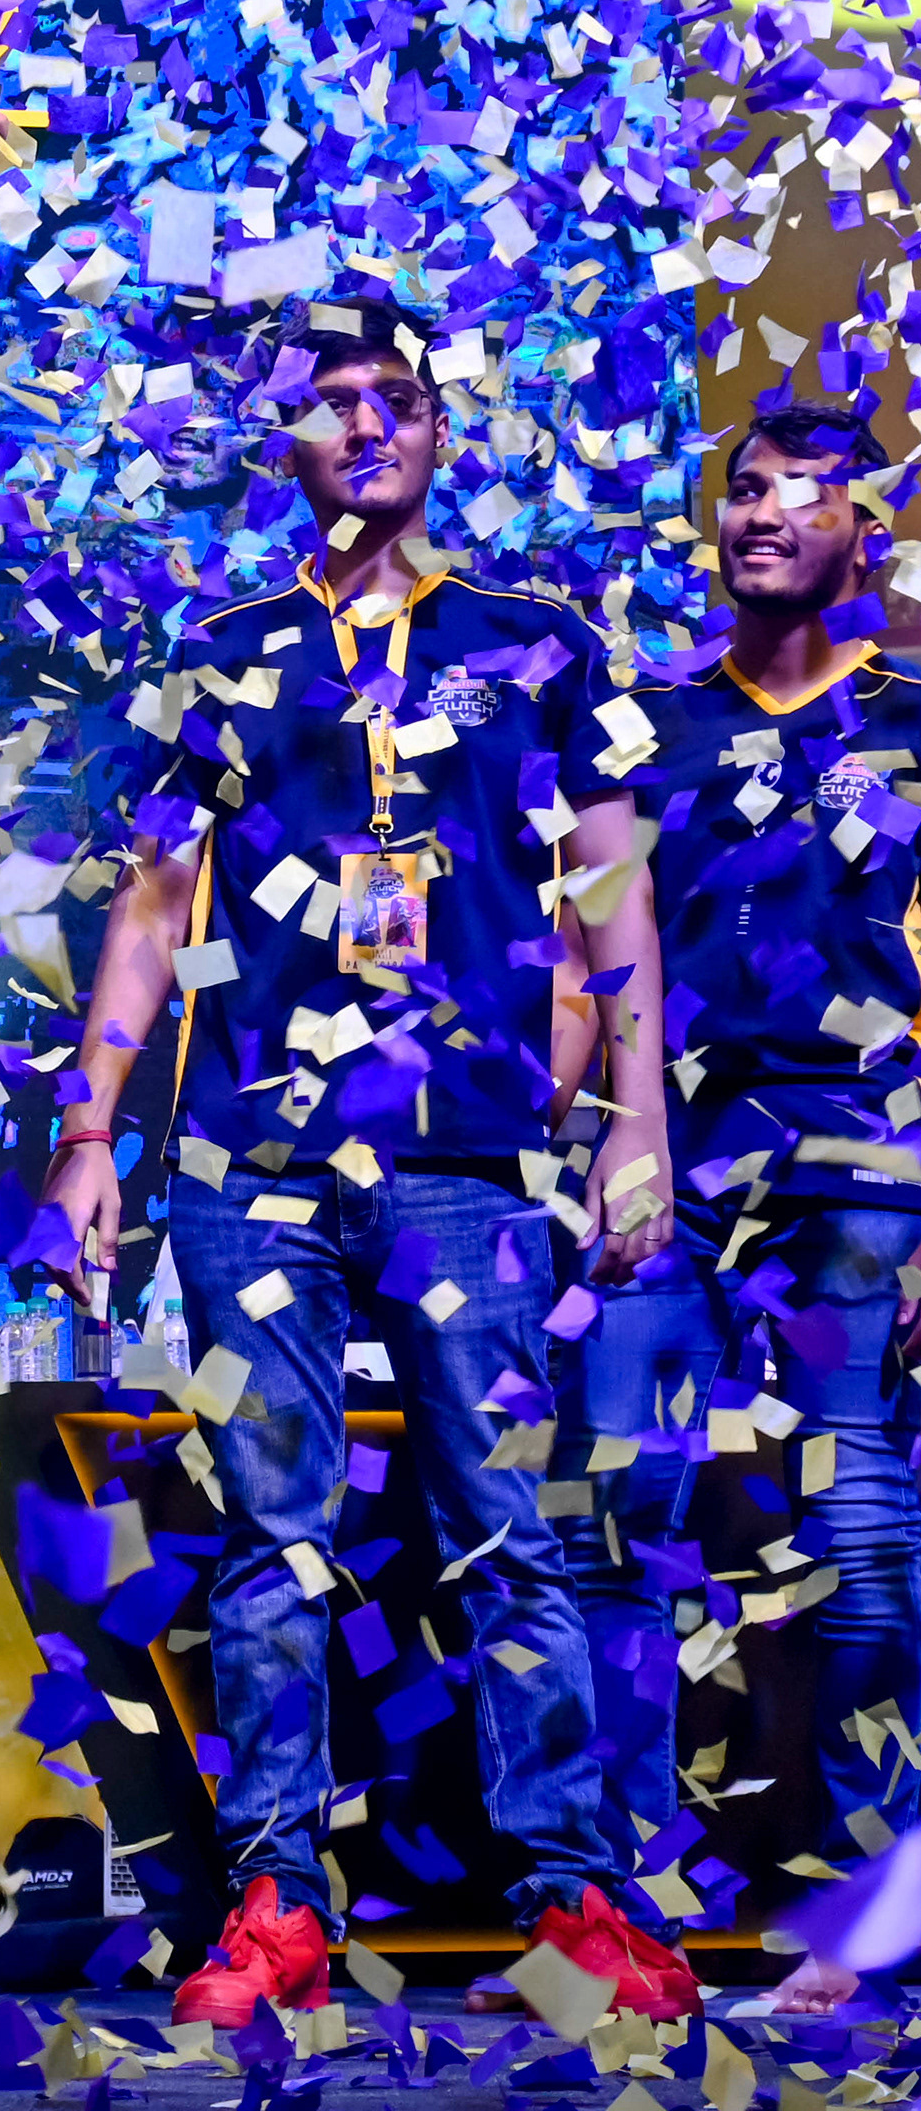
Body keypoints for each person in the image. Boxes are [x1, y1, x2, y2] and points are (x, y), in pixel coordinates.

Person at [39, 297, 700, 2028]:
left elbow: (613, 893)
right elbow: (151, 906)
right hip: (249, 1161)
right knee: (272, 1537)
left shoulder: (537, 640)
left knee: (509, 1529)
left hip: (467, 1155)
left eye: (391, 395)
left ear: (439, 428)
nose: (362, 423)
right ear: (288, 440)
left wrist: (637, 1121)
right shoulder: (225, 648)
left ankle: (571, 1898)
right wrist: (92, 1131)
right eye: (328, 400)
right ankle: (276, 1899)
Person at [550, 404, 921, 2017]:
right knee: (608, 1510)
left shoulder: (912, 716)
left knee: (854, 1529)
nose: (763, 513)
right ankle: (606, 1923)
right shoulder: (649, 725)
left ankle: (867, 1918)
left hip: (865, 1163)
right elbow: (593, 955)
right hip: (670, 1166)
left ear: (866, 533)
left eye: (803, 492)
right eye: (744, 489)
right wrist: (565, 1143)